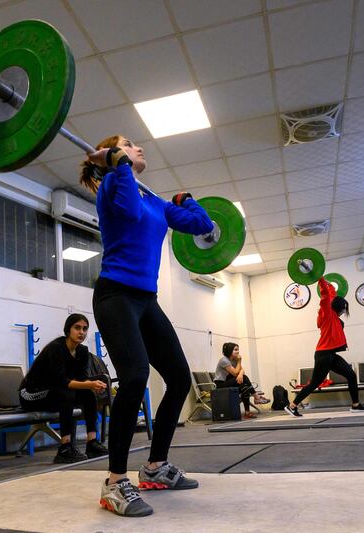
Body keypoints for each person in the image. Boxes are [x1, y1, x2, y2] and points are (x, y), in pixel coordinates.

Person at [81, 135, 214, 518]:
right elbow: (126, 209)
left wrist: (185, 200)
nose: (138, 148)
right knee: (136, 375)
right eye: (128, 144)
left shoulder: (155, 201)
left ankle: (155, 468)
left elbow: (202, 226)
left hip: (146, 300)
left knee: (178, 377)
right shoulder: (112, 187)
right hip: (115, 295)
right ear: (113, 157)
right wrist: (118, 164)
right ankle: (114, 482)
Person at [18, 313, 109, 464]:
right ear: (68, 330)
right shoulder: (56, 348)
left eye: (85, 329)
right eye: (77, 328)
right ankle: (65, 447)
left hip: (55, 392)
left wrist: (93, 386)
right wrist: (89, 384)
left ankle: (92, 443)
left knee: (88, 394)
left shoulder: (82, 351)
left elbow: (81, 379)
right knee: (66, 393)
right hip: (30, 393)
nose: (81, 332)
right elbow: (62, 381)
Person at [285, 277, 364, 417]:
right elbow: (325, 295)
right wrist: (319, 278)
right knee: (314, 383)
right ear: (339, 308)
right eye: (344, 309)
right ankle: (292, 406)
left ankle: (356, 405)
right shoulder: (328, 314)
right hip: (323, 355)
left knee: (351, 375)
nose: (344, 311)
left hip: (331, 355)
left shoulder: (334, 316)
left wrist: (330, 284)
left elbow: (331, 294)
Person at [214, 342, 270, 419]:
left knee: (245, 387)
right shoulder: (224, 360)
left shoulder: (234, 359)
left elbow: (241, 370)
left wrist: (240, 375)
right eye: (235, 350)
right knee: (245, 378)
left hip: (230, 381)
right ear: (229, 351)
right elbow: (235, 372)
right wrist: (240, 361)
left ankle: (247, 412)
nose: (238, 351)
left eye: (238, 349)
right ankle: (256, 397)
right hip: (221, 384)